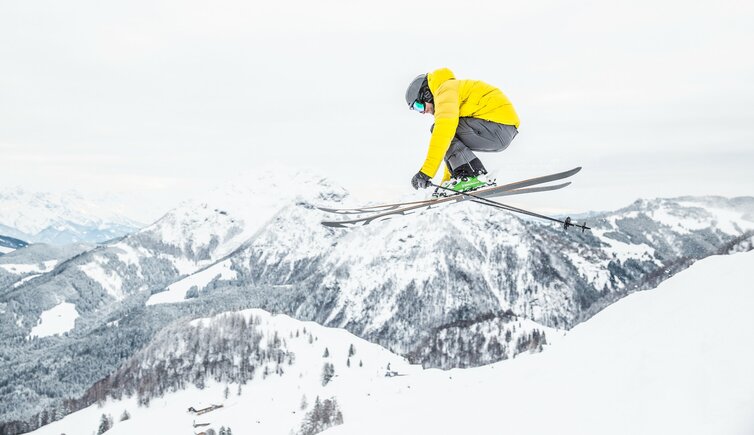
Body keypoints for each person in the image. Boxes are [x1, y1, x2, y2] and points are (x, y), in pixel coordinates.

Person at [405, 68, 520, 195]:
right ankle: (465, 176)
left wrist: (426, 172)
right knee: (447, 133)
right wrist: (447, 183)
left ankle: (472, 174)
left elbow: (443, 133)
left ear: (426, 94)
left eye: (418, 106)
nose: (422, 112)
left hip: (498, 126)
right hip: (501, 128)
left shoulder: (445, 89)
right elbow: (451, 147)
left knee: (439, 129)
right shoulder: (449, 90)